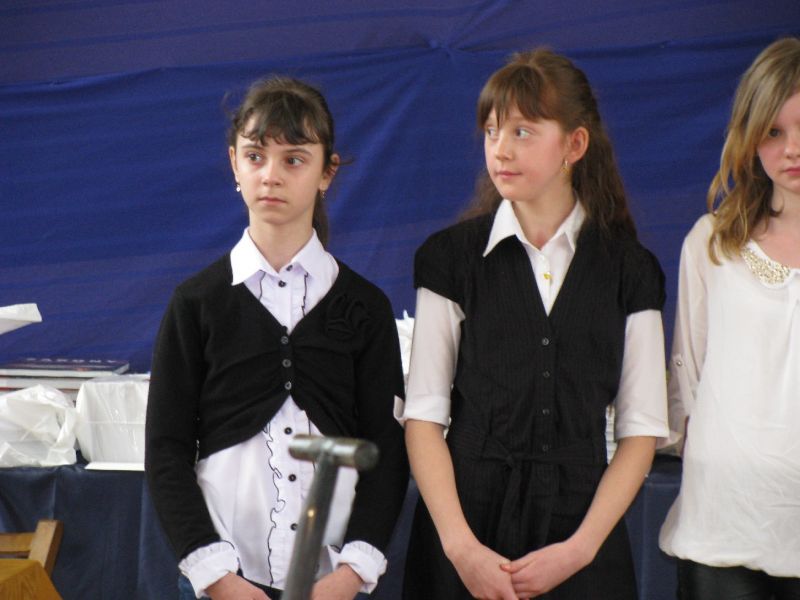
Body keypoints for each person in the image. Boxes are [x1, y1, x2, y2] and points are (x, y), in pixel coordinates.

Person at [398, 48, 669, 599]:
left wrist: (580, 550)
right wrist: (462, 550)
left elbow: (641, 430)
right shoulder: (451, 259)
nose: (500, 149)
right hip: (465, 535)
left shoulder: (630, 270)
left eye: (522, 131)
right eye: (492, 131)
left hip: (581, 534)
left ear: (575, 144)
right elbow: (423, 418)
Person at [145, 76, 409, 600]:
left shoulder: (365, 307)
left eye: (294, 159)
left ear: (327, 172)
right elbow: (166, 451)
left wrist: (352, 572)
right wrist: (216, 576)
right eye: (255, 156)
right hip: (222, 580)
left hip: (331, 584)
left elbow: (386, 449)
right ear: (234, 164)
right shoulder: (196, 303)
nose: (271, 175)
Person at [658, 37, 800, 599]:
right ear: (749, 136)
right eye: (773, 131)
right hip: (723, 524)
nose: (792, 149)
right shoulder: (712, 244)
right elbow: (686, 377)